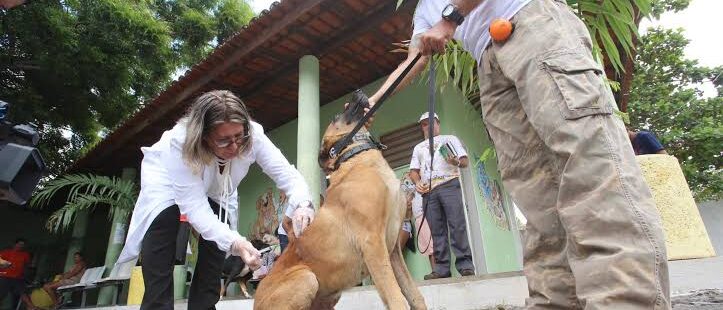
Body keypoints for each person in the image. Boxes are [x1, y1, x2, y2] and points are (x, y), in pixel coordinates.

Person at [365, 0, 670, 308]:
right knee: (535, 193)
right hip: (488, 62)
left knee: (590, 167)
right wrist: (373, 101)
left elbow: (447, 24)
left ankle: (626, 300)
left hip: (531, 25)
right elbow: (414, 57)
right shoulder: (424, 9)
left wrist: (451, 17)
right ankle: (555, 302)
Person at [116, 90, 315, 310]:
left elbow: (287, 175)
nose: (235, 147)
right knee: (163, 224)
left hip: (220, 188)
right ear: (204, 137)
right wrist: (237, 242)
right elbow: (195, 208)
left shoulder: (253, 135)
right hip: (166, 181)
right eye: (224, 140)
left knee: (218, 240)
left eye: (239, 137)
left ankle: (204, 306)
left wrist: (303, 204)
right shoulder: (180, 143)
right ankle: (157, 305)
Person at [409, 112, 473, 279]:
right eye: (423, 124)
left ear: (438, 123)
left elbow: (465, 162)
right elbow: (413, 172)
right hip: (429, 191)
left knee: (457, 225)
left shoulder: (449, 139)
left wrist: (455, 162)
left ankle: (465, 265)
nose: (427, 126)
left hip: (449, 184)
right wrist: (417, 183)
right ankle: (442, 269)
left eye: (431, 122)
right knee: (436, 232)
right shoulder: (418, 148)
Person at [22, 252, 86, 309]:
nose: (75, 259)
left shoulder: (81, 264)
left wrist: (63, 277)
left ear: (81, 257)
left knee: (48, 287)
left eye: (77, 257)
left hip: (72, 281)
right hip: (67, 279)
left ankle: (56, 304)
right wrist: (62, 275)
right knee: (46, 286)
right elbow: (68, 273)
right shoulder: (75, 265)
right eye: (74, 257)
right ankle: (57, 301)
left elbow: (73, 273)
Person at [0, 238, 31, 308]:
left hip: (17, 278)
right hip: (5, 276)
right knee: (1, 294)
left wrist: (25, 276)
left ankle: (32, 307)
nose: (21, 246)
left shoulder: (25, 254)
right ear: (15, 244)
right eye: (19, 244)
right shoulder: (6, 252)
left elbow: (26, 266)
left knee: (22, 292)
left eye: (23, 245)